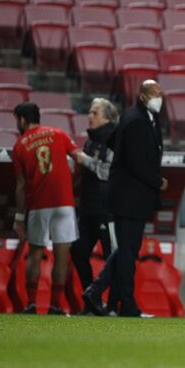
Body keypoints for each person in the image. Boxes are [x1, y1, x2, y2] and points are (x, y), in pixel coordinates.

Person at [82, 80, 167, 318]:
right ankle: (126, 305)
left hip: (134, 197)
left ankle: (97, 291)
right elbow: (135, 161)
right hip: (129, 197)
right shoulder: (135, 120)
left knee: (126, 251)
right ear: (142, 96)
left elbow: (118, 144)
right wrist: (157, 181)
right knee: (128, 253)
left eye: (160, 93)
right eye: (153, 93)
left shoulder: (145, 119)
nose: (158, 97)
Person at [11, 102, 88, 315]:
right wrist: (71, 180)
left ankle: (32, 304)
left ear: (22, 120)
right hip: (64, 203)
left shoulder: (19, 146)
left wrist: (19, 217)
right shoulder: (59, 133)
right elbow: (78, 158)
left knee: (35, 253)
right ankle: (55, 305)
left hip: (38, 205)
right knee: (62, 256)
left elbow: (20, 185)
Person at [70, 98, 118, 311]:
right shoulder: (90, 141)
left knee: (114, 258)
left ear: (107, 117)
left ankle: (115, 305)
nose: (89, 116)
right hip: (87, 208)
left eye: (95, 113)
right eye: (89, 112)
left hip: (106, 210)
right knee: (78, 251)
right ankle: (92, 300)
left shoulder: (115, 139)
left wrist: (85, 160)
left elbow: (109, 172)